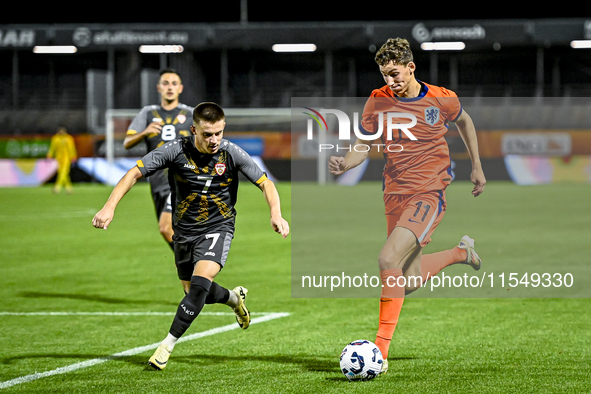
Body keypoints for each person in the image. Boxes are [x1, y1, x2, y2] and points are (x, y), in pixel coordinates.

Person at [328, 38, 486, 374]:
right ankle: (461, 252)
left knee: (387, 258)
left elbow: (465, 122)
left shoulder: (441, 98)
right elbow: (363, 143)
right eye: (385, 75)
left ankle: (379, 354)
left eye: (396, 74)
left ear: (411, 67)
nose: (391, 81)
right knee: (407, 279)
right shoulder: (378, 100)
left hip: (429, 193)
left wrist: (476, 165)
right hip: (394, 194)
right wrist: (346, 163)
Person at [92, 102, 290, 370]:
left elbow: (266, 183)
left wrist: (275, 214)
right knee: (196, 293)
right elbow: (134, 173)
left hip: (219, 228)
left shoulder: (231, 153)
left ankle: (166, 346)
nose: (214, 140)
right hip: (184, 232)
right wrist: (109, 206)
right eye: (208, 134)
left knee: (198, 286)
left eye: (219, 133)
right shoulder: (175, 151)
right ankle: (234, 299)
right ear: (193, 130)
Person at [123, 68, 193, 251]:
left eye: (174, 83)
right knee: (172, 234)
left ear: (181, 88)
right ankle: (194, 272)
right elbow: (127, 142)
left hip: (181, 179)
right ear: (158, 88)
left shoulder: (191, 114)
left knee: (165, 227)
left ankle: (197, 266)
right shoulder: (148, 113)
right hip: (157, 181)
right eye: (165, 83)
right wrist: (145, 132)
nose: (170, 87)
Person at [46, 126, 77, 194]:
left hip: (66, 157)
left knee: (64, 172)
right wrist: (50, 154)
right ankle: (69, 188)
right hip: (59, 158)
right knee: (62, 172)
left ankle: (57, 187)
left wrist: (73, 156)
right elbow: (52, 147)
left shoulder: (68, 138)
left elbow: (71, 148)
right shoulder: (55, 138)